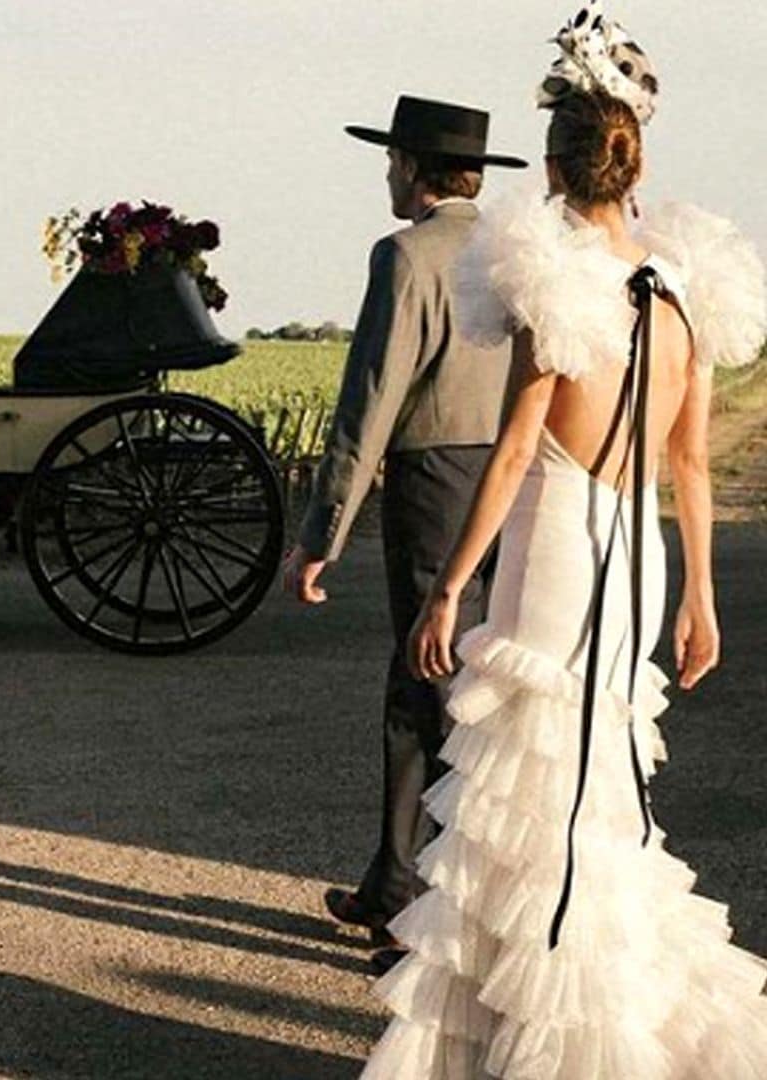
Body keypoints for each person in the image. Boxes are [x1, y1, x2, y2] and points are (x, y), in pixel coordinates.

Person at [361, 4, 767, 1076]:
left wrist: (448, 588)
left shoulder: (556, 280)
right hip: (635, 557)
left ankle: (550, 1036)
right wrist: (701, 601)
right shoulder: (684, 288)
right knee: (598, 791)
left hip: (553, 548)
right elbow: (690, 464)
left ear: (555, 163)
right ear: (629, 165)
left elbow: (510, 455)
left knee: (528, 791)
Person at [282, 95, 526, 974]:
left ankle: (413, 911)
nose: (386, 174)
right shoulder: (512, 253)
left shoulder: (405, 256)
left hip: (434, 485)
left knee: (425, 693)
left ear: (416, 168)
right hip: (516, 483)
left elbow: (370, 403)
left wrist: (323, 531)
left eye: (391, 160)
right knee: (462, 688)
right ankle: (397, 885)